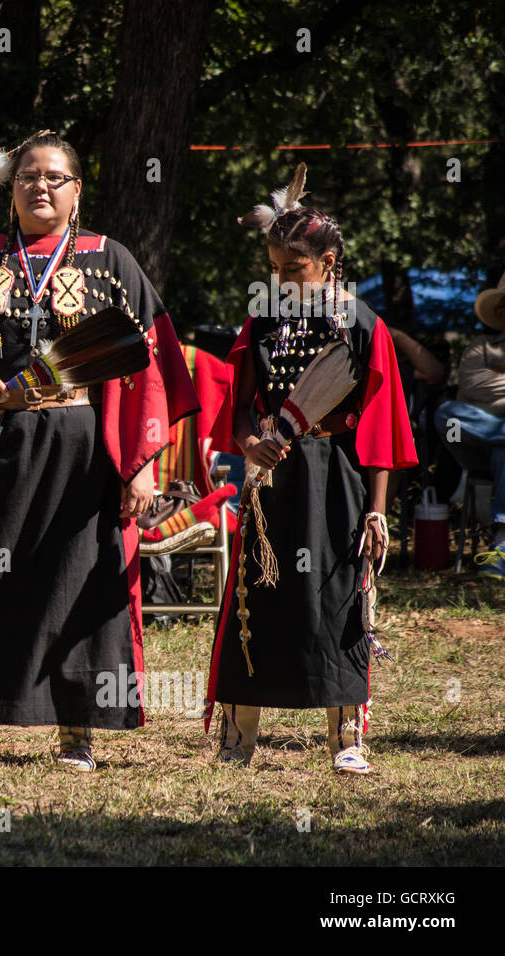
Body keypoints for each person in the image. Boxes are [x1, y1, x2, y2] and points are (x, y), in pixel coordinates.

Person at [0, 131, 199, 769]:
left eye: (54, 177)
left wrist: (142, 463)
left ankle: (76, 728)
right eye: (27, 176)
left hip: (82, 451)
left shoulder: (111, 261)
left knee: (75, 581)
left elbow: (151, 366)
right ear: (11, 189)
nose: (40, 187)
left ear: (78, 191)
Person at [205, 166, 417, 774]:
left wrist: (377, 509)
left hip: (340, 476)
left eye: (293, 269)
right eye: (274, 269)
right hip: (273, 474)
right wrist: (251, 442)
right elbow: (240, 401)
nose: (281, 280)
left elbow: (384, 427)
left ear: (328, 262)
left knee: (339, 600)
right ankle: (239, 738)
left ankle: (347, 736)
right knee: (259, 596)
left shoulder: (361, 323)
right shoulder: (263, 320)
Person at [433, 276, 505, 580]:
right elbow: (472, 386)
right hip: (477, 440)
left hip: (496, 449)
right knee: (448, 413)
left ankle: (501, 549)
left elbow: (483, 390)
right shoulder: (479, 347)